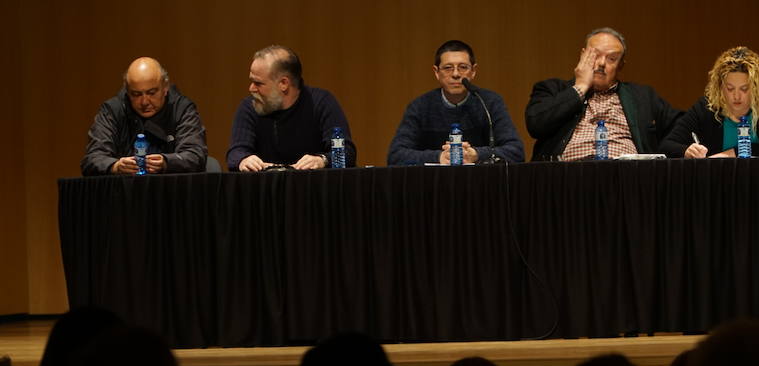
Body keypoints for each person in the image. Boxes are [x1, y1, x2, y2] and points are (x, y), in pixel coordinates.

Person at [525, 27, 681, 161]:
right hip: (568, 179)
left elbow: (681, 126)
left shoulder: (642, 97)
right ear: (583, 55)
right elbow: (535, 125)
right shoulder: (552, 89)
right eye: (595, 55)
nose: (601, 63)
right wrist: (580, 87)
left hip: (627, 178)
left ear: (620, 66)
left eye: (611, 59)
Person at [387, 40, 524, 165]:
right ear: (436, 72)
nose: (456, 74)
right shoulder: (420, 107)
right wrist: (440, 157)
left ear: (473, 71)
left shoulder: (489, 102)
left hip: (481, 184)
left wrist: (476, 154)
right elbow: (396, 155)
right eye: (448, 68)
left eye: (463, 67)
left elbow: (516, 151)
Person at [226, 45, 356, 171]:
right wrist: (244, 159)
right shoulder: (249, 107)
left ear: (283, 83)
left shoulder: (321, 103)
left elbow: (347, 152)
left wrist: (322, 159)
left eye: (258, 83)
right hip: (264, 189)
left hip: (313, 188)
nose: (251, 88)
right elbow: (235, 153)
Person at [659, 46, 759, 158]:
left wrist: (736, 152)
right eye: (730, 88)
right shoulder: (708, 106)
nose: (737, 96)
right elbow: (667, 145)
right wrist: (687, 150)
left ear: (757, 88)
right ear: (720, 87)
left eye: (744, 89)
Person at [81, 57, 208, 176]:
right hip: (123, 192)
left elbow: (195, 156)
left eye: (151, 93)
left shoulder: (181, 109)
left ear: (165, 87)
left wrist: (166, 162)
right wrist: (116, 166)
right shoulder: (113, 110)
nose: (144, 102)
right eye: (136, 94)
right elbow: (92, 160)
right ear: (127, 91)